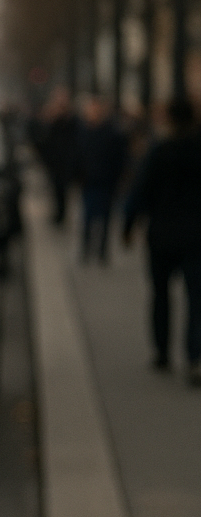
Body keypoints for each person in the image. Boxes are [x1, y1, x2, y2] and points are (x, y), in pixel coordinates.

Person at [123, 100, 201, 384]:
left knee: (160, 295)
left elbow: (141, 190)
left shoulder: (159, 151)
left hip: (162, 235)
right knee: (196, 299)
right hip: (196, 237)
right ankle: (195, 356)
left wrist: (128, 226)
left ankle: (162, 352)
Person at [74, 95, 128, 263]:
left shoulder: (112, 134)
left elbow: (120, 158)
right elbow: (77, 156)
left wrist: (117, 178)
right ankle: (86, 250)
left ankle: (102, 252)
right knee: (88, 218)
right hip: (89, 182)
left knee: (104, 219)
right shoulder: (83, 132)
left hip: (106, 182)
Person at [34, 87, 78, 225]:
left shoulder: (71, 119)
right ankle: (58, 213)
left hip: (65, 161)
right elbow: (44, 138)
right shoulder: (51, 119)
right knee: (55, 189)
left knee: (62, 190)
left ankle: (61, 214)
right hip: (54, 161)